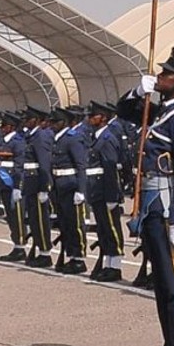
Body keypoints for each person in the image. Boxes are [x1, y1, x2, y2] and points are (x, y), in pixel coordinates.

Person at [116, 48, 174, 346]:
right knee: (163, 287)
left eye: (167, 73)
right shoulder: (164, 112)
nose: (160, 76)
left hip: (168, 209)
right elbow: (125, 111)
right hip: (153, 209)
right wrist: (137, 92)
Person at [86, 102, 126, 282]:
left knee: (112, 229)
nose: (89, 118)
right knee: (103, 229)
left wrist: (112, 196)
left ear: (102, 118)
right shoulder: (96, 137)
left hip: (105, 191)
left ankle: (115, 266)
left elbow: (110, 170)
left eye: (93, 115)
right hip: (96, 191)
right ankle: (107, 264)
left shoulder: (108, 139)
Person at [51, 107, 89, 275]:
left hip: (71, 184)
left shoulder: (72, 139)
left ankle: (79, 258)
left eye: (55, 122)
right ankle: (70, 255)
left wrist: (81, 190)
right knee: (65, 223)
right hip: (59, 185)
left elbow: (81, 165)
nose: (52, 125)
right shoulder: (57, 139)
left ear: (63, 122)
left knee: (75, 224)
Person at [21, 106, 55, 268]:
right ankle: (38, 248)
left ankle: (45, 253)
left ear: (35, 120)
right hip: (30, 182)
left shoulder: (40, 137)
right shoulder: (31, 136)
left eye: (29, 119)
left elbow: (44, 164)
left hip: (37, 183)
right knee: (34, 219)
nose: (26, 122)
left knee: (41, 220)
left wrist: (44, 187)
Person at [0, 112, 29, 262]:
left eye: (4, 126)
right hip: (4, 183)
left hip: (13, 183)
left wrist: (18, 186)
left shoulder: (18, 141)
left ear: (10, 127)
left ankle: (21, 247)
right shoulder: (5, 141)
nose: (1, 129)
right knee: (10, 217)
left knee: (17, 217)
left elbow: (20, 166)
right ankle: (16, 244)